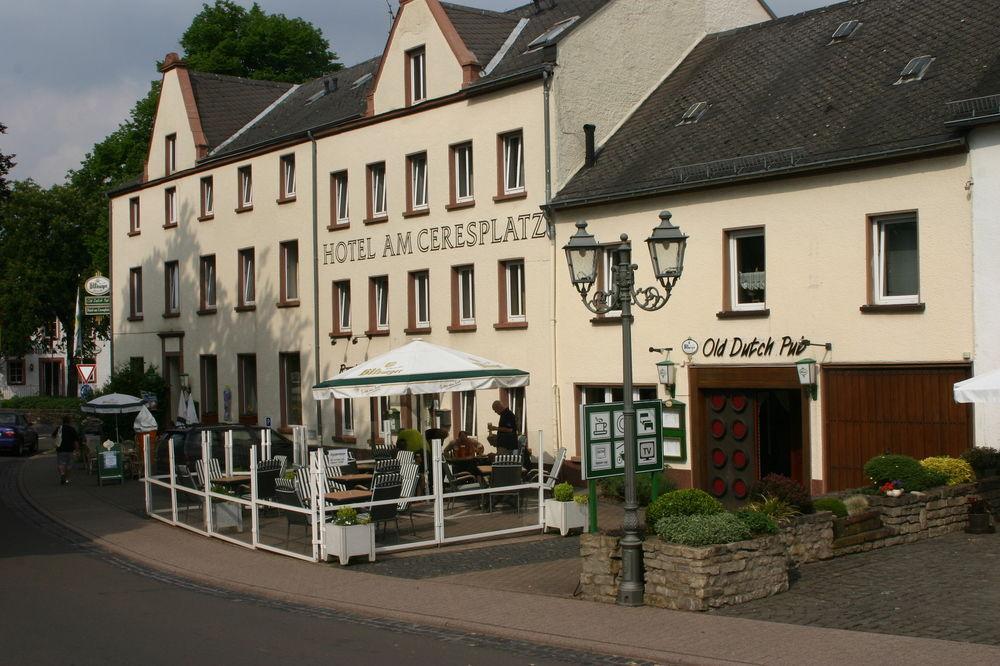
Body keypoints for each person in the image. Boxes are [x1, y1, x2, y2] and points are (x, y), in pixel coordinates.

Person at [55, 416, 81, 485]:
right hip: (70, 450)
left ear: (63, 421)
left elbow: (53, 436)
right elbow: (76, 441)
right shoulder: (72, 429)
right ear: (69, 421)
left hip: (60, 449)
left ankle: (62, 473)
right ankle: (66, 479)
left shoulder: (59, 428)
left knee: (61, 463)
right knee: (69, 465)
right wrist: (77, 450)